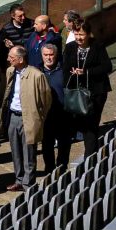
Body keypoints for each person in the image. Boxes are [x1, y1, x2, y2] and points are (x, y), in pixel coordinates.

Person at [61, 11, 112, 156]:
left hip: (95, 92)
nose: (79, 38)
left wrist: (86, 72)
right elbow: (65, 68)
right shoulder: (70, 47)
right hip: (76, 92)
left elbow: (107, 67)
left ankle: (90, 156)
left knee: (91, 125)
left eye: (82, 34)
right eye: (76, 34)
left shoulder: (97, 46)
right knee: (78, 124)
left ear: (88, 34)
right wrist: (71, 77)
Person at [6, 42, 55, 183]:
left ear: (21, 59)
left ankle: (28, 183)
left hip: (29, 118)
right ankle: (19, 180)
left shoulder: (37, 75)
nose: (8, 59)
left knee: (29, 152)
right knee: (15, 151)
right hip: (13, 116)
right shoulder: (10, 71)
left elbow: (46, 100)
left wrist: (38, 116)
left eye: (11, 57)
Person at [35, 38, 71, 171]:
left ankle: (62, 168)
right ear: (42, 55)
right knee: (47, 144)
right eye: (46, 55)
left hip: (63, 114)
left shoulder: (64, 70)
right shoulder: (37, 72)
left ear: (56, 55)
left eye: (51, 55)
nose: (49, 58)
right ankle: (49, 168)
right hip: (46, 115)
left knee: (64, 143)